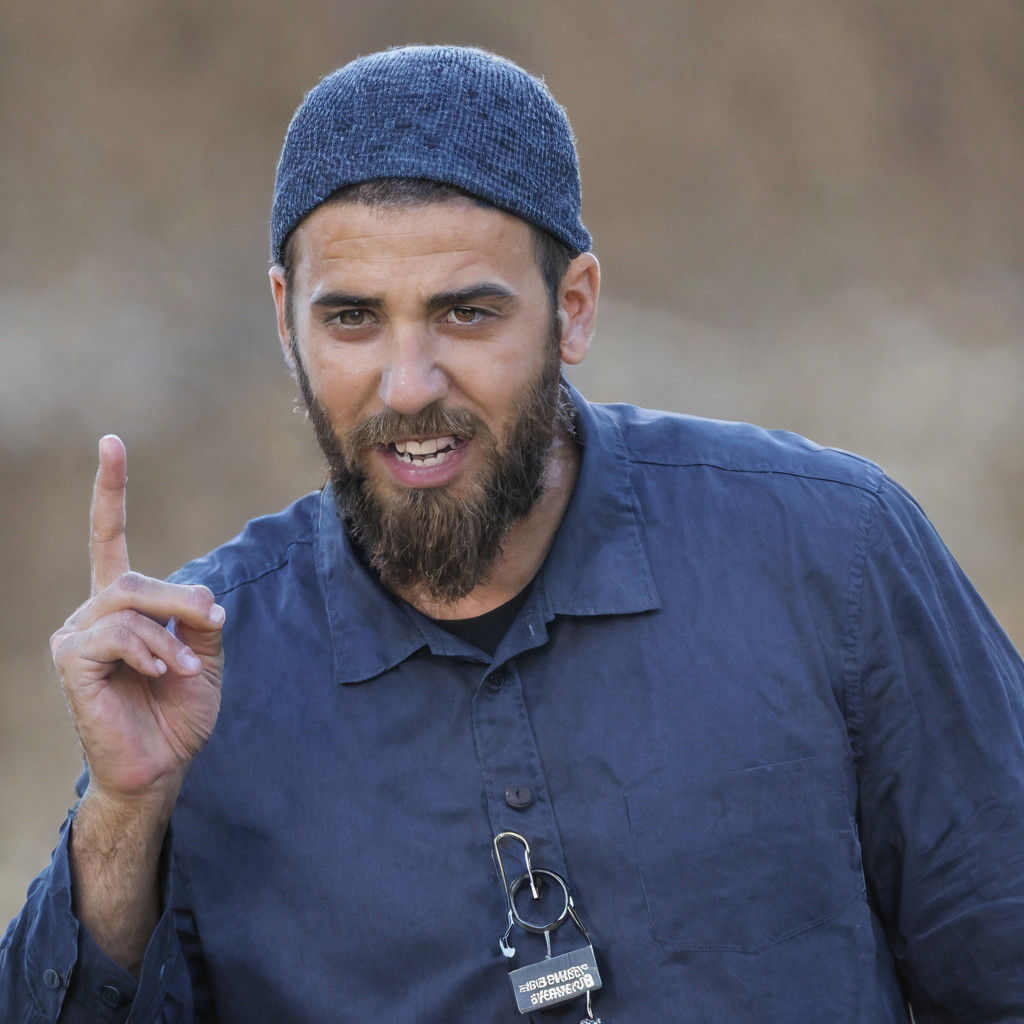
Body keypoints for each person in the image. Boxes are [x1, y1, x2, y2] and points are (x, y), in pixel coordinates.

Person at [2, 44, 1024, 1024]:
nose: (407, 385)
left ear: (571, 310)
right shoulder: (194, 677)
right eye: (351, 318)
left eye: (466, 314)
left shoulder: (831, 557)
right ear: (284, 321)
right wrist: (126, 814)